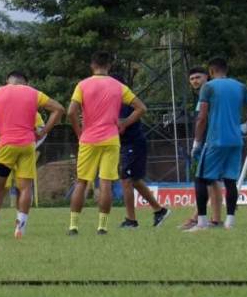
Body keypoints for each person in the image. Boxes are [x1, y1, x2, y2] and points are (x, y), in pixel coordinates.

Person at [0, 71, 65, 239]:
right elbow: (59, 109)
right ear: (26, 82)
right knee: (25, 188)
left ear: (7, 81)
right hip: (27, 146)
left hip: (6, 146)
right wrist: (45, 130)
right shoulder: (33, 93)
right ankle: (20, 229)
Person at [66, 52, 147, 236]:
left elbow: (71, 111)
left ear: (92, 65)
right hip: (111, 139)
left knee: (81, 182)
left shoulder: (83, 85)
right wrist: (124, 123)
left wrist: (79, 131)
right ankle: (102, 226)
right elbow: (141, 108)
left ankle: (73, 226)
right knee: (106, 183)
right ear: (109, 66)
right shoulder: (118, 86)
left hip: (88, 138)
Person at [188, 57, 247, 232]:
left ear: (211, 71)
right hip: (236, 140)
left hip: (215, 140)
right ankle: (230, 221)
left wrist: (197, 142)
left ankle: (201, 223)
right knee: (230, 180)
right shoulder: (240, 86)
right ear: (226, 69)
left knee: (201, 179)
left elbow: (202, 118)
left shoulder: (209, 87)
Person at [113, 73, 172, 228]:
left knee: (126, 180)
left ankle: (131, 220)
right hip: (129, 145)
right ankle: (159, 210)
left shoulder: (124, 102)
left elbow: (120, 128)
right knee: (135, 181)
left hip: (132, 144)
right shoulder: (116, 102)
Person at [180, 67, 224, 229]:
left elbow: (203, 119)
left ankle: (215, 220)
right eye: (191, 79)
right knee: (208, 181)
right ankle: (198, 217)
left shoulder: (209, 92)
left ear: (207, 76)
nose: (194, 81)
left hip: (210, 143)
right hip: (209, 142)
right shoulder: (205, 94)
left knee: (211, 181)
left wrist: (198, 143)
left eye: (198, 77)